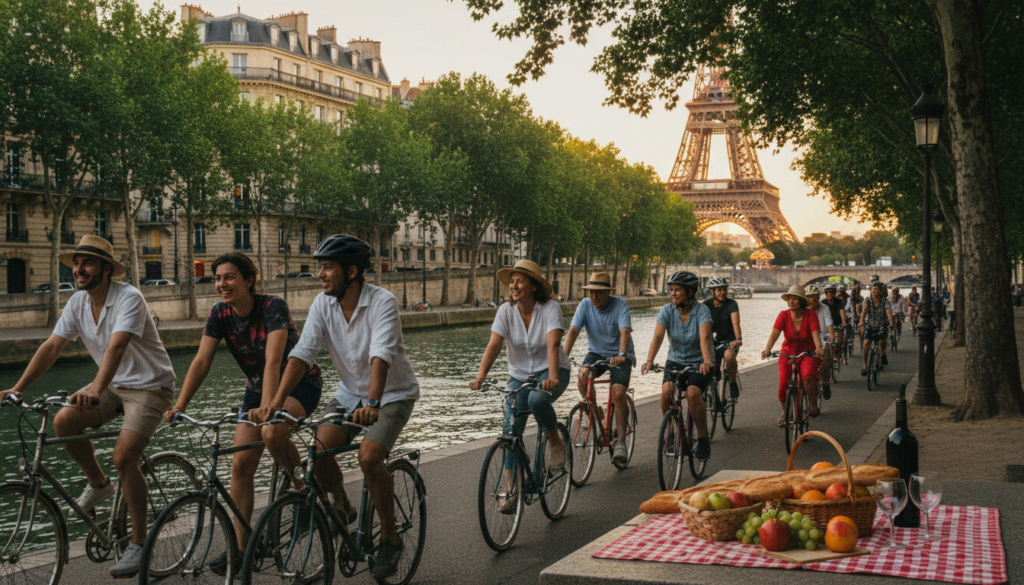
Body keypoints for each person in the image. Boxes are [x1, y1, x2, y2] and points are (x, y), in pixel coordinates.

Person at [0, 236, 175, 576]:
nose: (79, 269)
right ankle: (99, 484)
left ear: (107, 269)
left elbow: (118, 346)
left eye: (88, 263)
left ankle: (138, 543)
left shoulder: (129, 297)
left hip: (150, 385)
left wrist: (95, 388)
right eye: (76, 263)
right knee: (64, 422)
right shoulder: (78, 301)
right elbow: (52, 346)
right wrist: (17, 387)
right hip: (112, 383)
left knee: (124, 457)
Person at [267, 235, 418, 580]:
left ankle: (390, 540)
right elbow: (304, 354)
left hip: (393, 394)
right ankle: (343, 505)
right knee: (318, 452)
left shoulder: (383, 302)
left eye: (327, 267)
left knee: (368, 456)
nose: (320, 274)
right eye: (320, 266)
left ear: (351, 272)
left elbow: (380, 355)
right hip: (350, 393)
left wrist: (374, 403)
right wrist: (276, 403)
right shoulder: (323, 304)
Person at [165, 252, 322, 570]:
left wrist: (270, 407)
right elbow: (201, 361)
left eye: (229, 277)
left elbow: (275, 361)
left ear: (249, 280)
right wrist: (180, 405)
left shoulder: (272, 307)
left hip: (297, 385)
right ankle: (240, 550)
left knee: (271, 432)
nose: (221, 284)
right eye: (218, 278)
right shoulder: (219, 313)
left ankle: (300, 487)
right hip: (255, 391)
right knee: (240, 466)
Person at [470, 259, 570, 511]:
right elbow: (494, 345)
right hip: (519, 375)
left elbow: (553, 345)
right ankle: (512, 491)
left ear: (534, 286)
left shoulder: (550, 308)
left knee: (537, 400)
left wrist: (554, 376)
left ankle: (556, 442)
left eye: (520, 281)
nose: (514, 286)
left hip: (552, 370)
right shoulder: (505, 311)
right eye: (511, 281)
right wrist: (481, 375)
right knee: (509, 431)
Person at [640, 271, 714, 461]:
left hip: (699, 361)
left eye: (677, 290)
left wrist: (707, 361)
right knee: (666, 392)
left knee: (692, 393)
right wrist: (649, 360)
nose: (673, 294)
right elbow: (658, 336)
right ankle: (672, 432)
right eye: (671, 290)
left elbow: (705, 338)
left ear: (690, 292)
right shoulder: (666, 310)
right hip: (675, 360)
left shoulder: (702, 311)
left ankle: (703, 438)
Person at [562, 272, 635, 463]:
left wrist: (621, 354)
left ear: (609, 292)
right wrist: (562, 358)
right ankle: (593, 411)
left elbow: (624, 331)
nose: (594, 297)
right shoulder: (585, 305)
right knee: (583, 374)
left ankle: (620, 443)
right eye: (591, 293)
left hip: (620, 354)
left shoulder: (621, 305)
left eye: (599, 293)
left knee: (618, 392)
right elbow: (573, 331)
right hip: (596, 352)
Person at [703, 276, 743, 399]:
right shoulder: (706, 305)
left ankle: (732, 383)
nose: (722, 293)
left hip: (729, 342)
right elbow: (701, 325)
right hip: (712, 343)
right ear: (712, 292)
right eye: (719, 290)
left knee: (729, 356)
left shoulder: (731, 304)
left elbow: (736, 323)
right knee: (708, 366)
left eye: (724, 289)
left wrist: (738, 338)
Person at [806, 286, 835, 401]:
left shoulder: (825, 308)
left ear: (818, 297)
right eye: (808, 297)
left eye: (813, 297)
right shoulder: (803, 309)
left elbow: (829, 323)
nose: (811, 300)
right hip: (807, 339)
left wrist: (832, 336)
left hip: (823, 337)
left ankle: (826, 382)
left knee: (824, 363)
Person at [859, 281, 895, 376]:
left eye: (876, 290)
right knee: (866, 343)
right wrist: (861, 321)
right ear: (870, 291)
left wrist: (891, 323)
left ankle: (882, 353)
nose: (874, 292)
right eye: (873, 290)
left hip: (881, 325)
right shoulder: (867, 301)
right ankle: (865, 366)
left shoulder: (885, 301)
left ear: (880, 291)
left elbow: (889, 313)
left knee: (882, 340)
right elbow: (864, 312)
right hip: (870, 325)